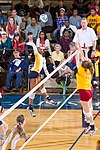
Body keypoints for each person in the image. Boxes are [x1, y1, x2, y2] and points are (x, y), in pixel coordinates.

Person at [27, 42, 58, 117]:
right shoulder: (37, 54)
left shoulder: (43, 59)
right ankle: (30, 107)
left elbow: (45, 69)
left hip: (37, 73)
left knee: (42, 86)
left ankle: (48, 98)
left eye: (41, 49)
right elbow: (34, 46)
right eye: (39, 49)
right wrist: (29, 42)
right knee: (33, 90)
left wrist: (49, 76)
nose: (40, 49)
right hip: (33, 73)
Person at [76, 60, 97, 136]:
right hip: (89, 89)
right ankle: (88, 125)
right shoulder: (90, 69)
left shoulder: (81, 70)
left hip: (84, 91)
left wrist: (78, 50)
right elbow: (85, 59)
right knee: (88, 109)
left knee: (87, 112)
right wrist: (83, 50)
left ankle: (93, 126)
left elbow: (79, 59)